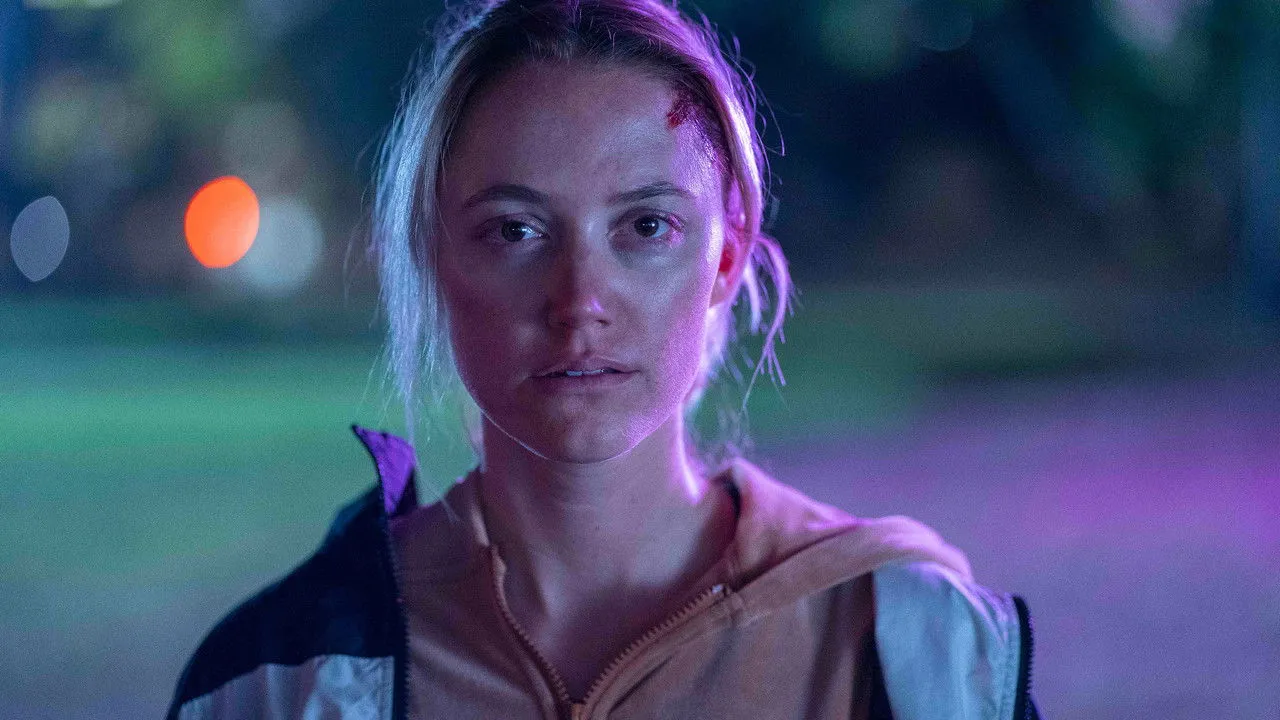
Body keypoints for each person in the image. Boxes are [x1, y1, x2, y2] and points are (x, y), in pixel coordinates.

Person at [167, 1, 1042, 718]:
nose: (580, 298)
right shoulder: (284, 676)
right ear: (433, 257)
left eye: (646, 226)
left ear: (725, 257)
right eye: (516, 231)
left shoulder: (906, 651)